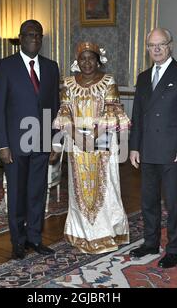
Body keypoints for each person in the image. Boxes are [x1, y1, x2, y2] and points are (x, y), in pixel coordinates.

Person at [53, 42, 131, 254]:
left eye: (91, 58)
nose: (87, 63)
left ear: (98, 59)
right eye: (82, 59)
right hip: (76, 142)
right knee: (79, 190)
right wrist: (78, 137)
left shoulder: (108, 81)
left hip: (103, 141)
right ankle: (81, 233)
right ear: (77, 62)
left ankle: (106, 233)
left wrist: (92, 138)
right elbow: (64, 113)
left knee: (106, 189)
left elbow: (112, 112)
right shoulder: (68, 83)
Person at [0, 20, 60, 259]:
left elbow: (54, 108)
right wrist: (1, 145)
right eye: (30, 35)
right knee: (18, 194)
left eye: (39, 35)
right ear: (20, 38)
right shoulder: (4, 66)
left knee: (37, 193)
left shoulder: (51, 67)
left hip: (41, 141)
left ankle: (35, 238)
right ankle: (18, 241)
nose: (35, 39)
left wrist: (54, 140)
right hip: (14, 144)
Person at [129, 28, 177, 268]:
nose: (156, 49)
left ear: (170, 45)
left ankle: (174, 249)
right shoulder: (143, 77)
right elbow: (137, 114)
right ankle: (150, 242)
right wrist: (134, 147)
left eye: (161, 44)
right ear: (147, 49)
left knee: (173, 203)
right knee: (148, 201)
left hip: (172, 152)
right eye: (151, 45)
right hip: (147, 150)